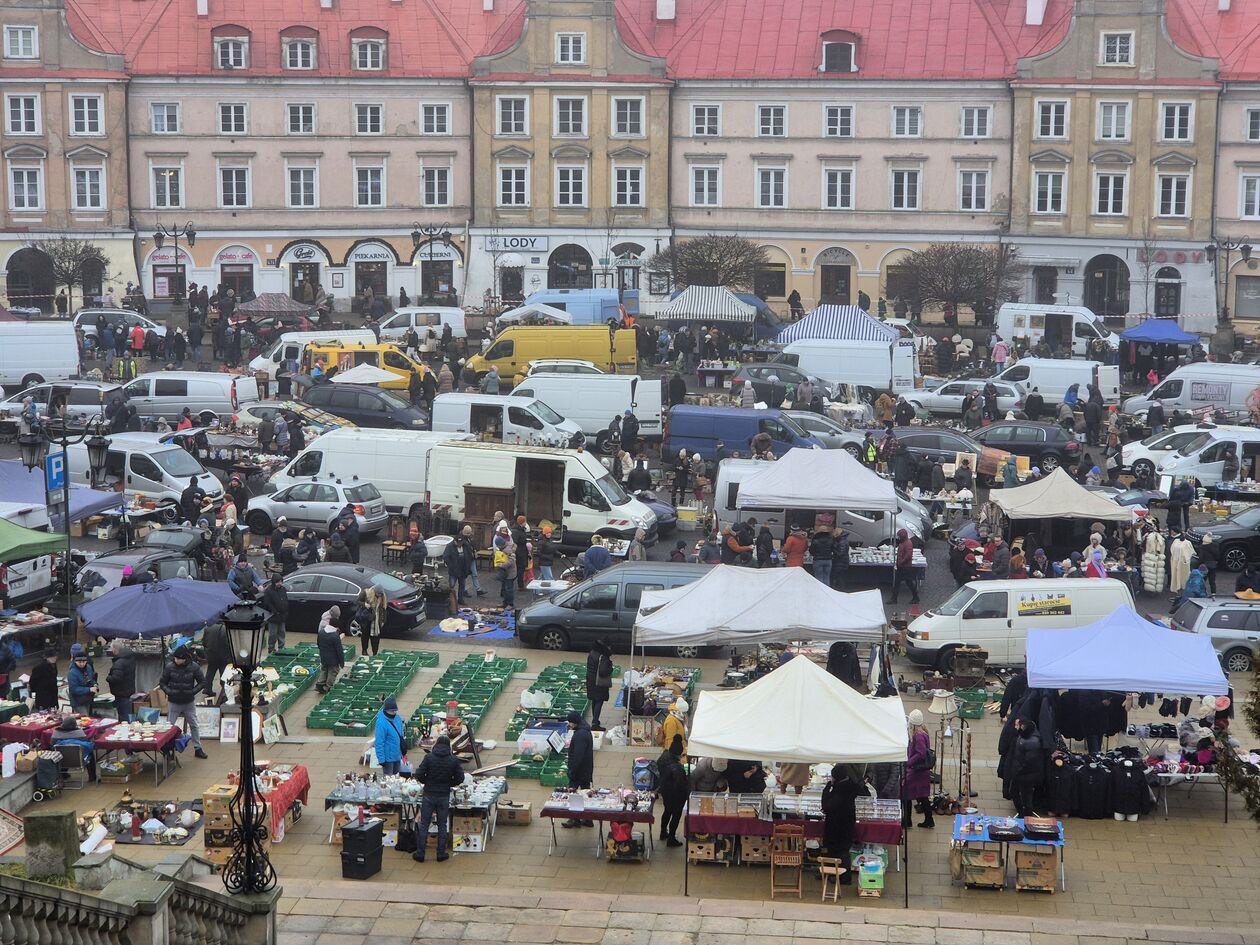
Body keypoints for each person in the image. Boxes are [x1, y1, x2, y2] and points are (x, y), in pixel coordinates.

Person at [413, 733, 466, 862]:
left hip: (429, 794)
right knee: (442, 824)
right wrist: (449, 783)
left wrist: (427, 782)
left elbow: (419, 774)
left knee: (424, 823)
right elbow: (460, 778)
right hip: (443, 795)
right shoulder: (453, 759)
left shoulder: (429, 757)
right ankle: (441, 854)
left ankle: (420, 854)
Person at [161, 647, 208, 758]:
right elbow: (162, 683)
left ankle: (198, 748)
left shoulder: (194, 667)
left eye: (178, 659)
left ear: (184, 659)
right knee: (170, 726)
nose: (176, 660)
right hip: (174, 701)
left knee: (194, 724)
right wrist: (170, 692)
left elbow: (202, 682)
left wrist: (192, 692)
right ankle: (169, 749)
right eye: (175, 658)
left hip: (188, 701)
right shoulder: (169, 667)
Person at [821, 763, 862, 882]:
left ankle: (844, 877)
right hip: (846, 823)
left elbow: (827, 806)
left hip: (839, 825)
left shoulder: (840, 790)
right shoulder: (850, 786)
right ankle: (831, 872)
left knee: (841, 851)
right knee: (837, 849)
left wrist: (826, 790)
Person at [562, 712, 595, 828]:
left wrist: (572, 770)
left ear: (574, 722)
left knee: (574, 794)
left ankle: (574, 819)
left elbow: (578, 755)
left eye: (570, 722)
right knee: (586, 793)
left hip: (579, 770)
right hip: (586, 769)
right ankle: (588, 819)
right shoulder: (585, 730)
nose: (569, 725)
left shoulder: (580, 735)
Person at [656, 734, 689, 848]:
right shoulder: (677, 767)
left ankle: (663, 832)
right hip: (676, 795)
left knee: (667, 811)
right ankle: (671, 838)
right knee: (676, 814)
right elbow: (681, 784)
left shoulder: (664, 756)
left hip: (665, 790)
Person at [905, 709, 934, 828]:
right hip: (923, 771)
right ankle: (929, 820)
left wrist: (909, 762)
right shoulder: (924, 732)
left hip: (916, 770)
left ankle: (907, 821)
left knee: (905, 793)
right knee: (922, 795)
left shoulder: (918, 736)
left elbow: (921, 753)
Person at [1011, 719, 1044, 818]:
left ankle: (1025, 815)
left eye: (1018, 725)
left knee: (1026, 796)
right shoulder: (1024, 737)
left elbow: (1030, 762)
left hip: (1026, 774)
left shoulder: (1031, 742)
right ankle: (1023, 813)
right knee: (1017, 792)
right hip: (1022, 772)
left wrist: (1019, 771)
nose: (1016, 727)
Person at [374, 698, 407, 776]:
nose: (394, 712)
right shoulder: (381, 722)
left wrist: (403, 753)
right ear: (386, 710)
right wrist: (381, 759)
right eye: (392, 711)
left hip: (397, 755)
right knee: (389, 779)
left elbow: (401, 735)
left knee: (397, 777)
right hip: (388, 758)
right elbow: (379, 742)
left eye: (395, 710)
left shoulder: (397, 718)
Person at [586, 639, 614, 730]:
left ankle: (595, 721)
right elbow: (603, 671)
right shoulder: (603, 656)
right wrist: (610, 668)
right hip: (599, 683)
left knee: (594, 701)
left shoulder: (592, 653)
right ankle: (595, 723)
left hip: (590, 680)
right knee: (599, 701)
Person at [315, 606, 344, 693]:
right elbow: (339, 650)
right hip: (333, 659)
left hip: (323, 657)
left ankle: (320, 683)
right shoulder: (335, 636)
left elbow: (318, 643)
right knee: (333, 672)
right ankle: (327, 686)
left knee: (324, 670)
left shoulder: (321, 632)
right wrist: (342, 662)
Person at [888, 528, 920, 604]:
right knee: (900, 583)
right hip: (902, 566)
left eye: (899, 536)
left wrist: (901, 562)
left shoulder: (907, 543)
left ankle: (915, 597)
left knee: (907, 583)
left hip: (905, 567)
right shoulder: (904, 542)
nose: (898, 538)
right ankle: (895, 598)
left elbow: (908, 555)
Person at [261, 573, 288, 653]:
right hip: (273, 616)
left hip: (282, 616)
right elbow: (267, 603)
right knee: (273, 634)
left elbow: (285, 600)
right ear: (274, 582)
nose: (279, 583)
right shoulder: (269, 591)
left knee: (282, 632)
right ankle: (271, 648)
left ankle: (281, 647)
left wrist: (285, 611)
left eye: (280, 581)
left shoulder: (283, 589)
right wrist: (274, 611)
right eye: (277, 582)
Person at [67, 647, 98, 715]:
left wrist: (95, 684)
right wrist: (89, 689)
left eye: (84, 662)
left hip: (87, 699)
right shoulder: (72, 672)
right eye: (79, 662)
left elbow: (91, 679)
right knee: (84, 718)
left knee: (88, 717)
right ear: (75, 661)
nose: (82, 664)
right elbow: (74, 689)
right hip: (78, 701)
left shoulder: (88, 668)